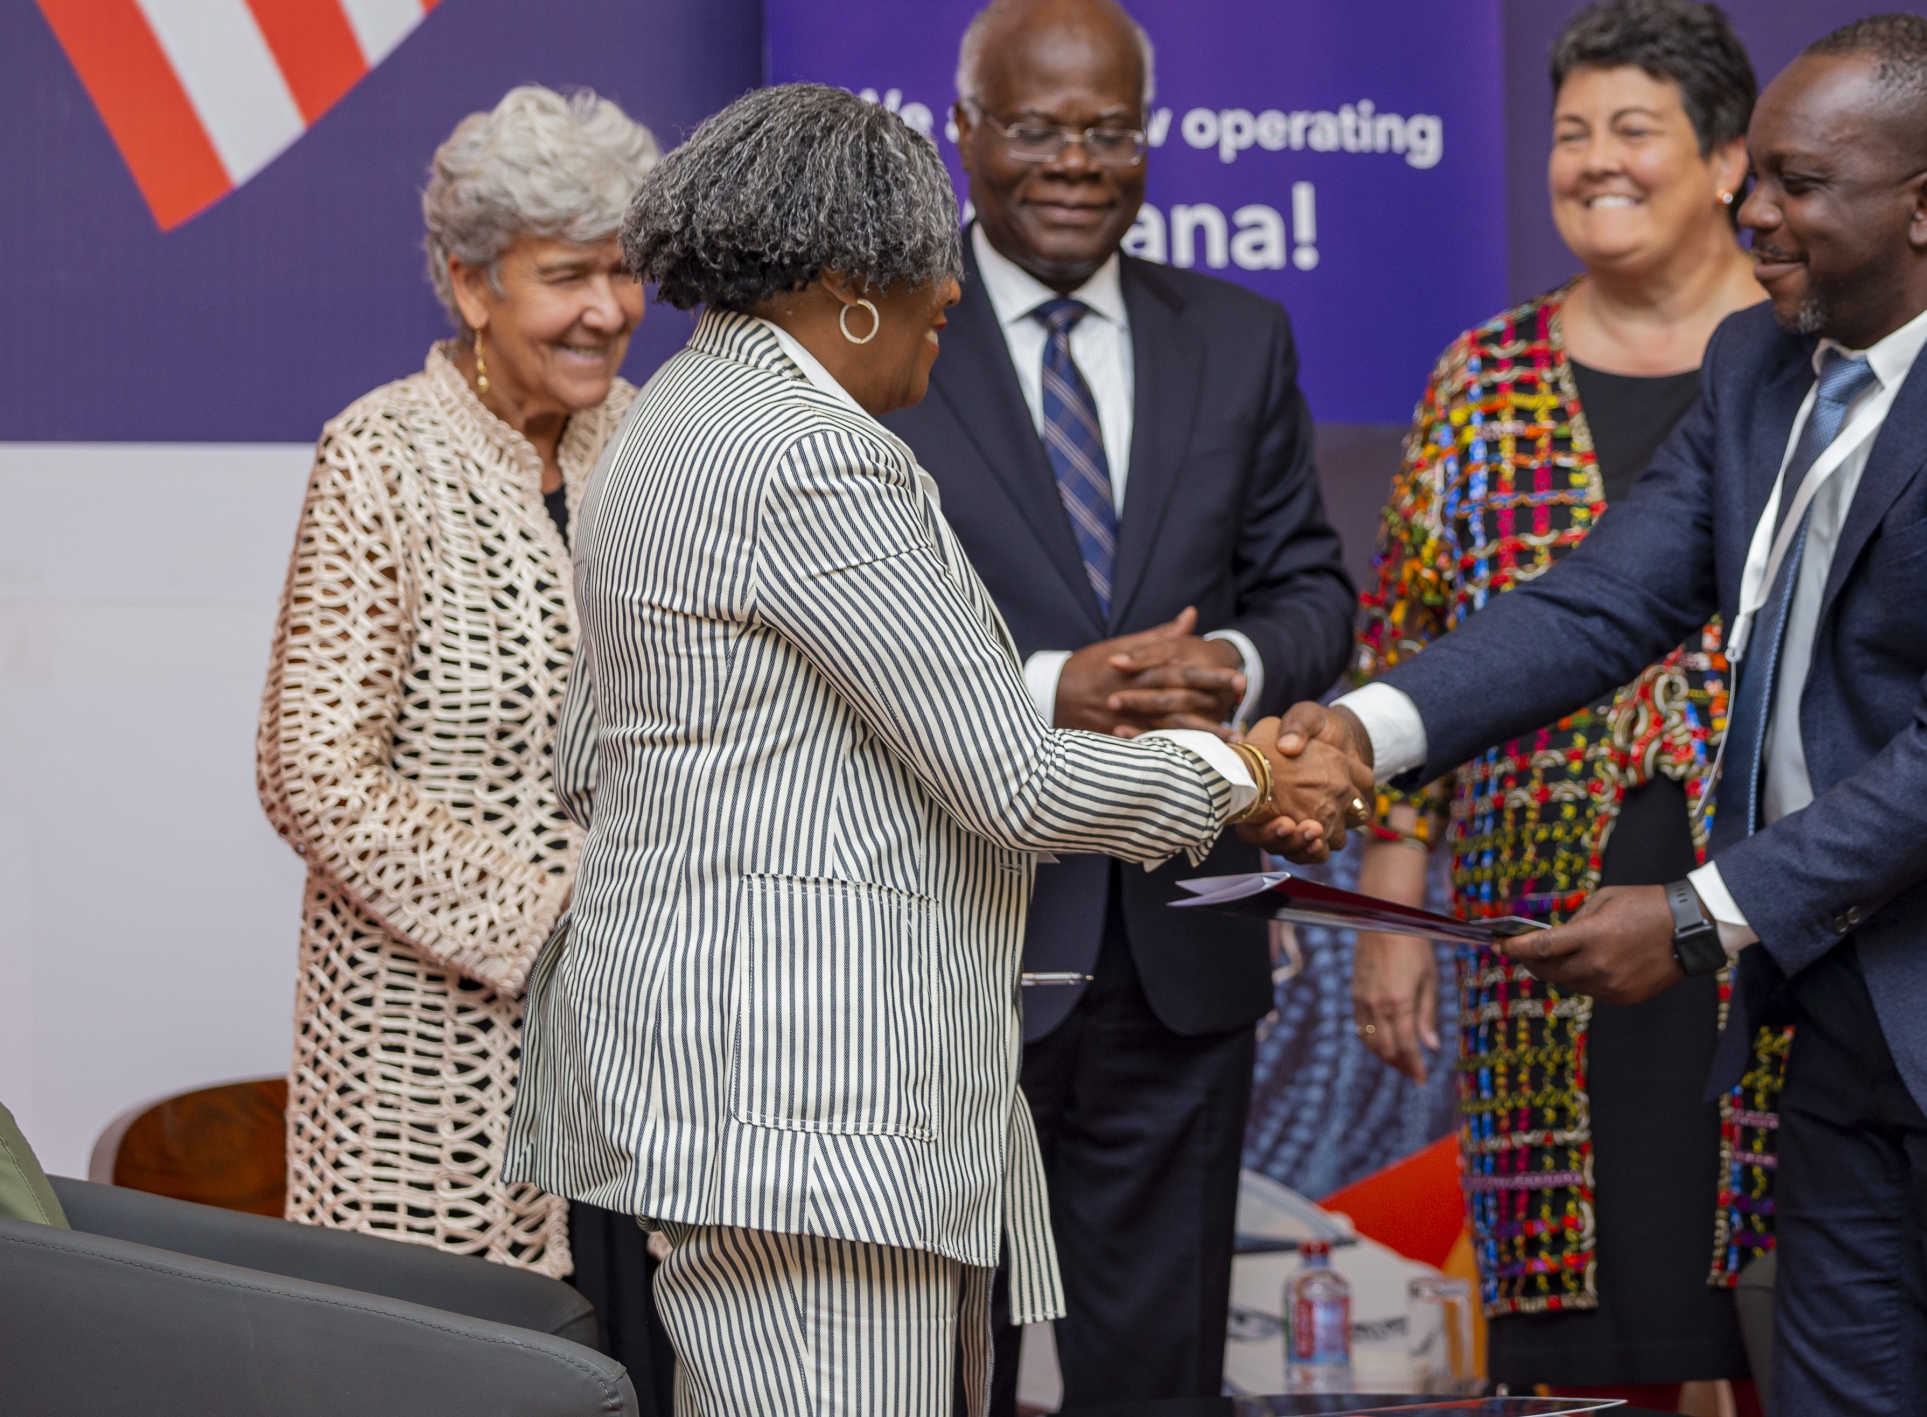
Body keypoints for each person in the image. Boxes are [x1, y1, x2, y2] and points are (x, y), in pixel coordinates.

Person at [1283, 15, 1927, 1416]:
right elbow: (1603, 599)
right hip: (1840, 1012)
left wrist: (1694, 916)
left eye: (1800, 183)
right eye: (1757, 177)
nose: (1753, 210)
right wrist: (1365, 729)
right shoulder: (1761, 363)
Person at [500, 83, 1368, 1417]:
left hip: (740, 1088)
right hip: (812, 1109)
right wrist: (1245, 775)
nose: (952, 292)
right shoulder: (807, 456)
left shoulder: (675, 412)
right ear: (851, 288)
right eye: (926, 265)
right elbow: (1009, 776)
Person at [880, 0, 1359, 1407]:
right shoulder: (885, 340)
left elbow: (1313, 587)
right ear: (965, 130)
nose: (1078, 163)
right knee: (925, 1374)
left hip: (1175, 953)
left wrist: (1238, 666)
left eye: (1112, 130)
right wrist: (1048, 687)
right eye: (1039, 128)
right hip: (948, 948)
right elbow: (841, 624)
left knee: (1155, 1386)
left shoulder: (1238, 335)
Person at [1347, 0, 1771, 1408]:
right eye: (1571, 132)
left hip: (1768, 898)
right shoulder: (1484, 379)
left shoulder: (1803, 365)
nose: (1595, 161)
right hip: (1537, 907)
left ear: (1727, 161)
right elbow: (1408, 632)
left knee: (1776, 1284)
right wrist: (1393, 897)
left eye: (1633, 129)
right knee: (1576, 1304)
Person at [255, 87, 679, 1409]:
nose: (607, 308)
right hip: (432, 1082)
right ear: (470, 283)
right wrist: (557, 929)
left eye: (624, 271)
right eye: (567, 276)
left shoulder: (657, 446)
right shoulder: (383, 455)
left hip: (647, 1089)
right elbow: (312, 771)